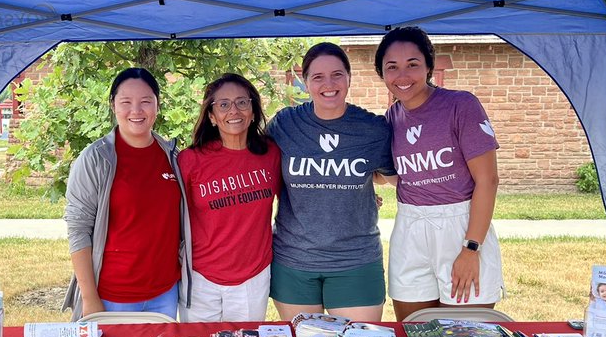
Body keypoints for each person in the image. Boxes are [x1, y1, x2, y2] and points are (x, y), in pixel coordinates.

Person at [375, 25, 503, 319]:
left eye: (413, 65)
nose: (402, 76)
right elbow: (392, 174)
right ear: (382, 74)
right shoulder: (391, 118)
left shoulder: (460, 105)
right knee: (415, 333)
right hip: (410, 229)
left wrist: (471, 249)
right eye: (392, 67)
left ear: (429, 67)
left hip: (459, 227)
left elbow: (488, 180)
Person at [267, 42, 394, 322]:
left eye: (337, 74)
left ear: (349, 78)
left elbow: (390, 176)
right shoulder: (285, 125)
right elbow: (261, 168)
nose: (329, 84)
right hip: (294, 261)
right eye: (318, 77)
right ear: (305, 81)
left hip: (355, 261)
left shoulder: (372, 129)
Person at [62, 67, 192, 319]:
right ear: (113, 105)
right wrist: (90, 299)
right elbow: (78, 230)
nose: (136, 110)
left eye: (146, 101)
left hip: (165, 294)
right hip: (112, 296)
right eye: (126, 102)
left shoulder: (172, 156)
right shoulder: (95, 159)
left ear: (157, 105)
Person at [178, 74, 281, 321]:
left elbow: (298, 195)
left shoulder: (271, 154)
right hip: (201, 276)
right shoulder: (190, 160)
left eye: (242, 102)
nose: (233, 110)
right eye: (223, 104)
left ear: (253, 110)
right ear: (212, 116)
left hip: (253, 276)